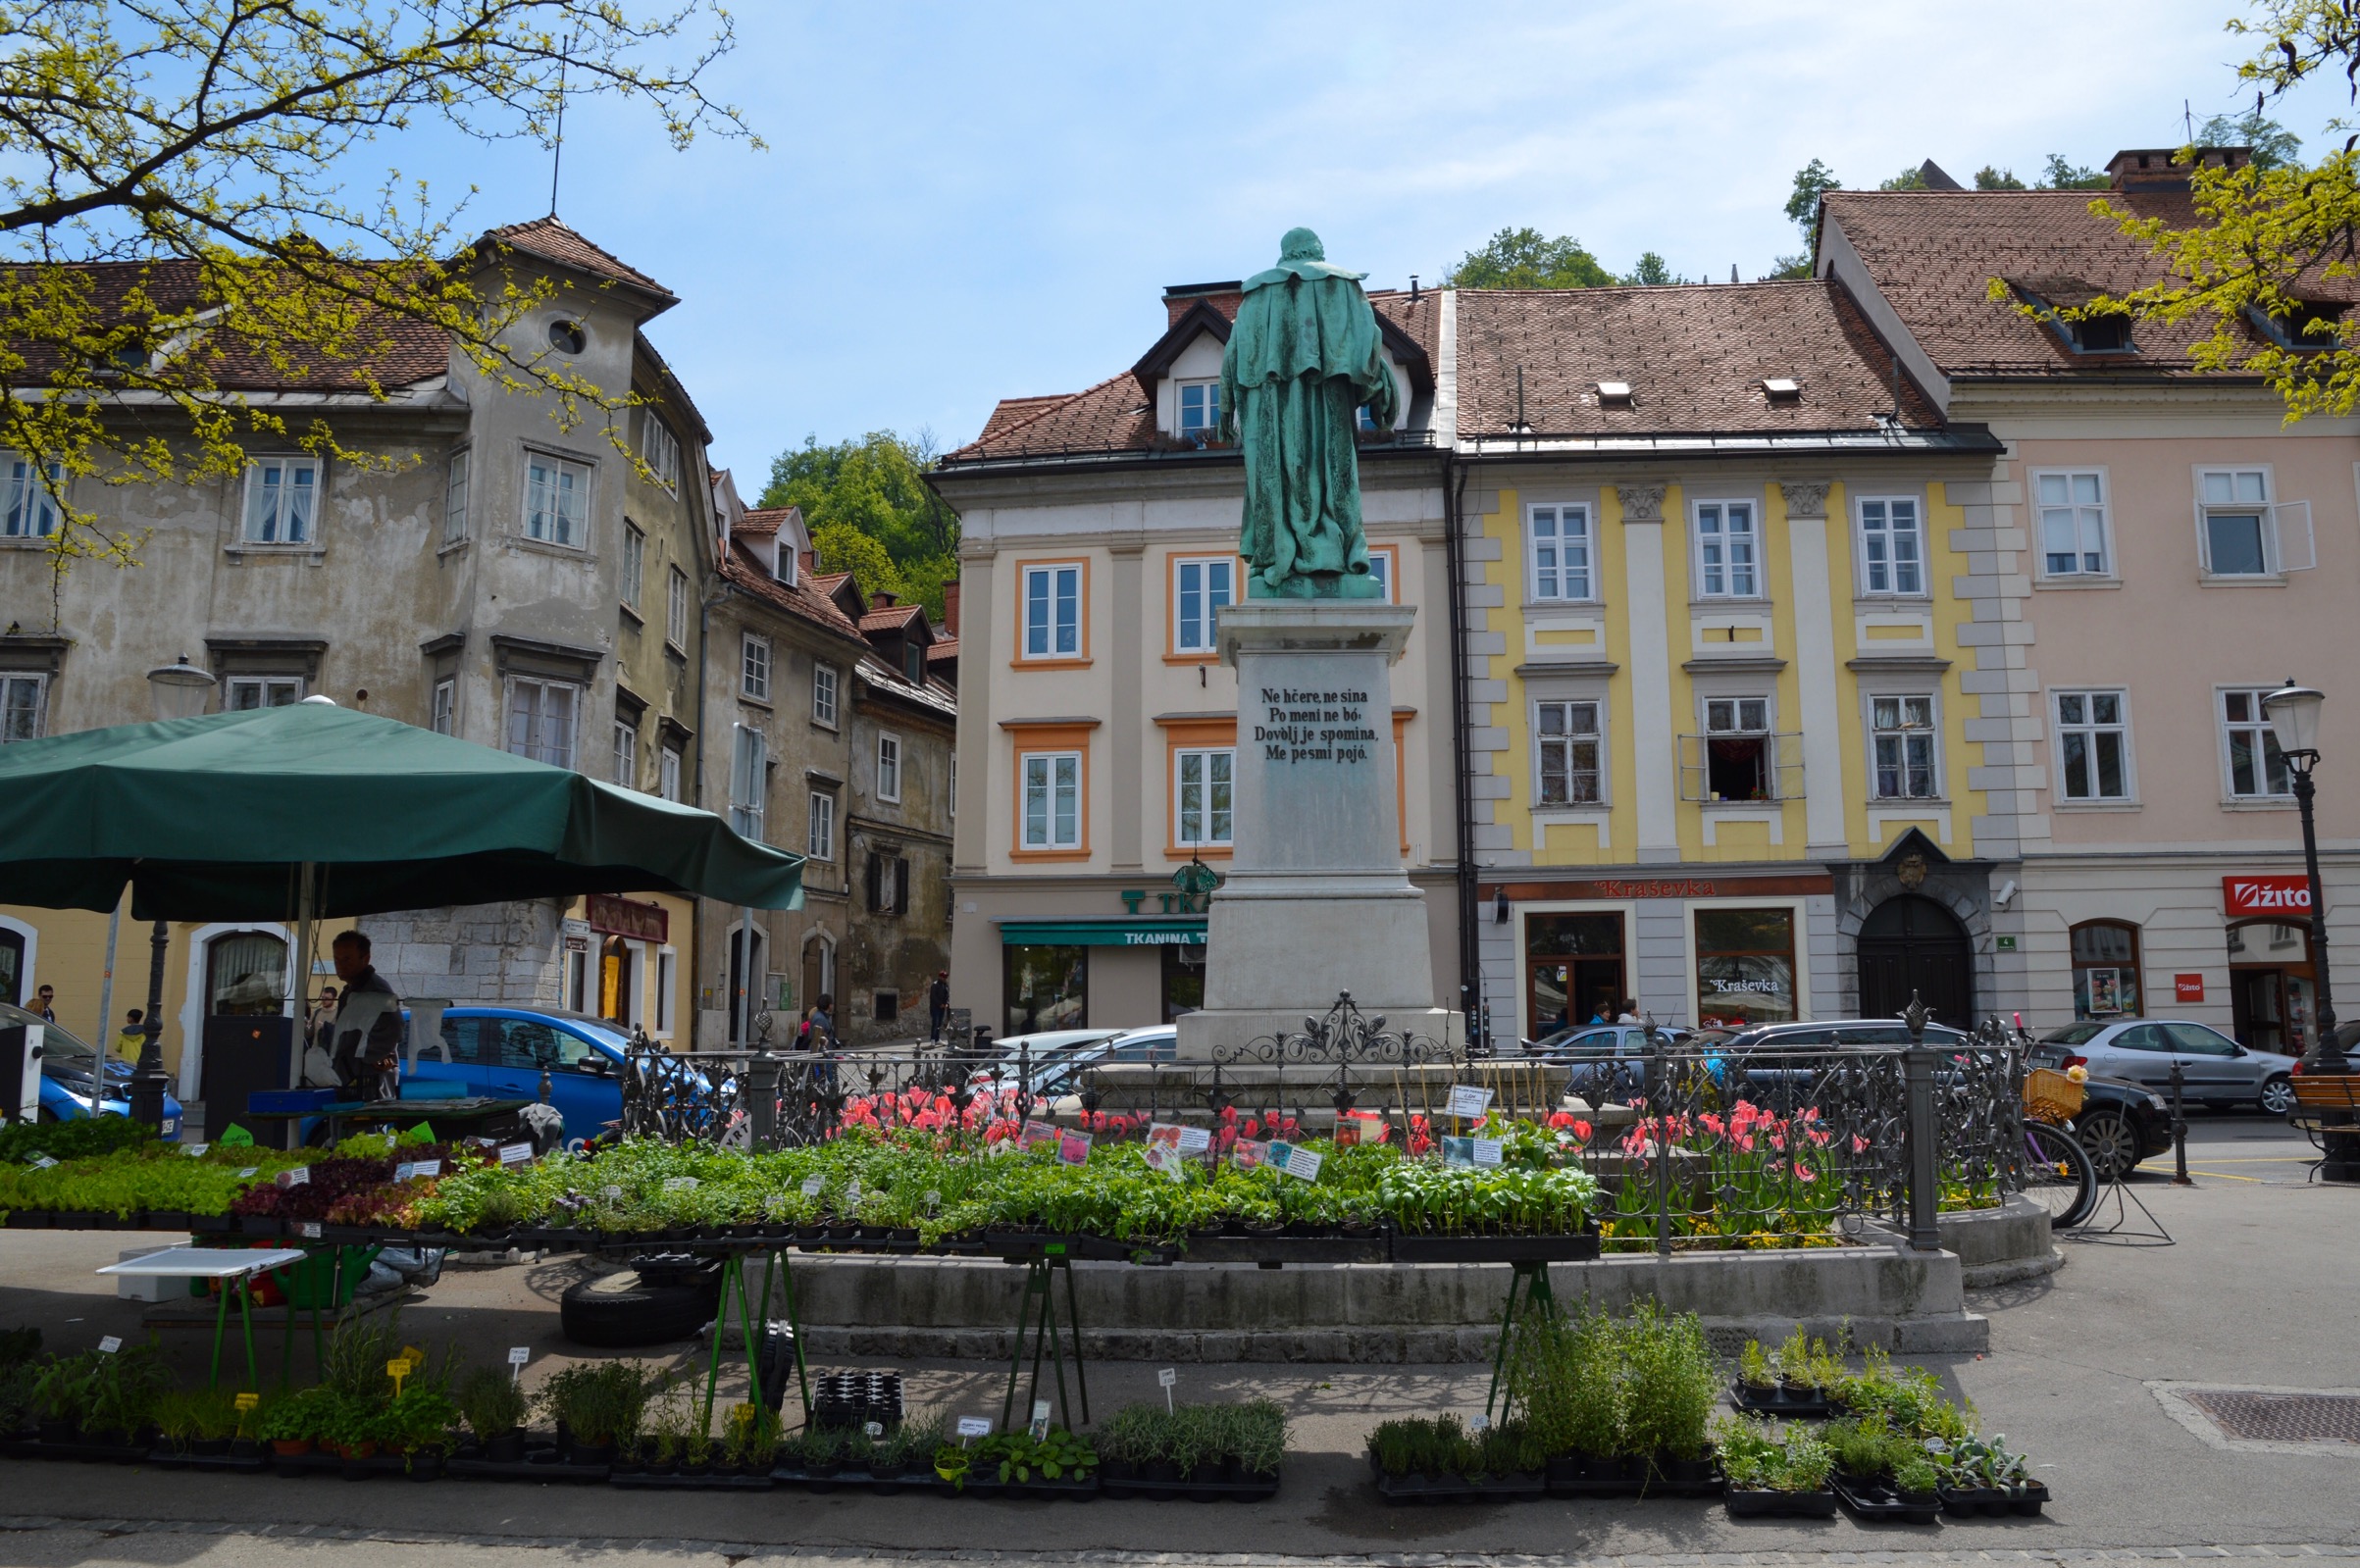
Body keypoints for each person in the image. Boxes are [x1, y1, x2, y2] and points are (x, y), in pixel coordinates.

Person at [327, 930, 403, 1100]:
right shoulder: (351, 990)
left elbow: (394, 1027)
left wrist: (363, 1061)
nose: (340, 965)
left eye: (347, 959)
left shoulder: (375, 990)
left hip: (366, 1083)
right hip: (350, 1079)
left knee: (363, 1125)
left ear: (365, 958)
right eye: (336, 959)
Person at [927, 971, 950, 1041]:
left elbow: (947, 995)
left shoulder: (945, 985)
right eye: (944, 977)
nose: (945, 978)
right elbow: (933, 997)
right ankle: (933, 1039)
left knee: (939, 1023)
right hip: (935, 1008)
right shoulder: (935, 985)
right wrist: (940, 1004)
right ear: (940, 977)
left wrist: (946, 1003)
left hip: (942, 1008)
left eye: (945, 977)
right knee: (935, 1023)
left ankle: (937, 1039)